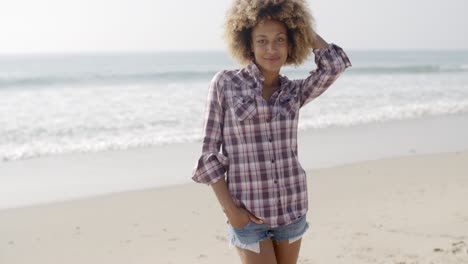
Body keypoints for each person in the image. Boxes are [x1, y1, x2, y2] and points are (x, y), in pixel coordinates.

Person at [191, 0, 351, 263]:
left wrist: (301, 28)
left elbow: (335, 65)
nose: (271, 48)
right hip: (247, 213)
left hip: (291, 209)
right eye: (262, 40)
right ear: (248, 44)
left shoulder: (294, 92)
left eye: (280, 40)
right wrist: (230, 210)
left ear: (291, 45)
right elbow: (209, 152)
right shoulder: (225, 83)